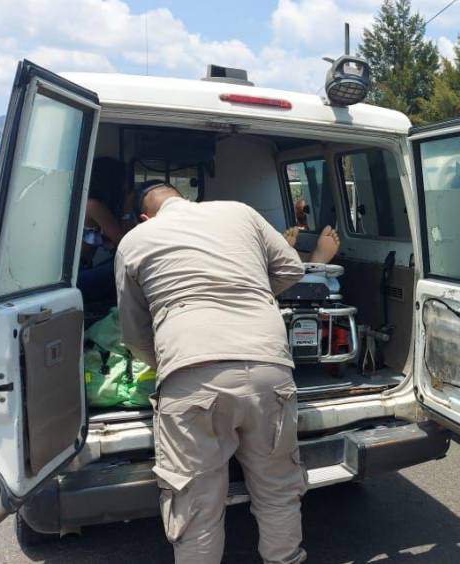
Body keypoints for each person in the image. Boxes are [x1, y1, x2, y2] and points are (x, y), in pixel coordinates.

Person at [115, 181, 337, 563]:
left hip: (191, 374)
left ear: (144, 216)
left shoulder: (135, 240)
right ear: (187, 199)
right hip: (269, 367)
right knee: (278, 489)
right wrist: (248, 292)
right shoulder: (240, 210)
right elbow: (291, 267)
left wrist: (167, 362)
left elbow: (135, 334)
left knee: (196, 505)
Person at [78, 157, 130, 305]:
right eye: (123, 180)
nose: (126, 185)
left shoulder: (94, 204)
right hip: (79, 276)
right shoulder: (93, 205)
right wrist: (127, 208)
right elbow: (125, 242)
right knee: (131, 268)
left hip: (85, 267)